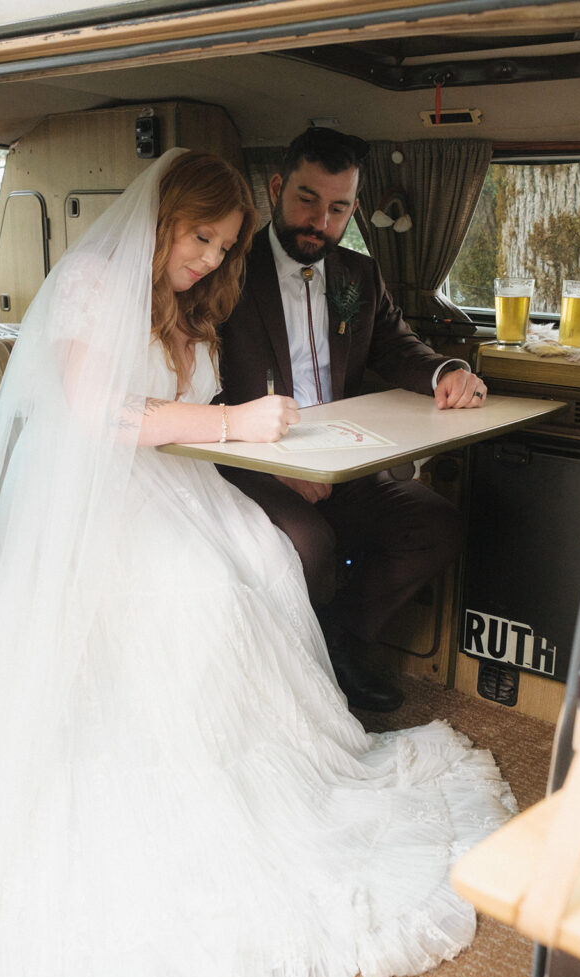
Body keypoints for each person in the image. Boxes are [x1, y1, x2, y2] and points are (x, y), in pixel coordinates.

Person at [0, 149, 513, 977]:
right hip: (93, 491)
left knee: (262, 561)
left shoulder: (193, 300)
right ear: (161, 222)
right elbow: (100, 415)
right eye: (200, 240)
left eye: (225, 249)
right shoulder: (87, 284)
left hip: (175, 479)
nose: (210, 261)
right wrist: (233, 421)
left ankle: (287, 742)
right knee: (198, 585)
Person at [218, 127, 487, 712]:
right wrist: (277, 466)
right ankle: (298, 681)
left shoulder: (358, 276)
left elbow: (396, 346)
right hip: (251, 464)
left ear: (354, 210)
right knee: (310, 545)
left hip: (343, 462)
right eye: (307, 199)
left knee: (437, 527)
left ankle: (339, 642)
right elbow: (202, 391)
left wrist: (445, 372)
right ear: (275, 188)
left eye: (338, 208)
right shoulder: (227, 272)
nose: (320, 220)